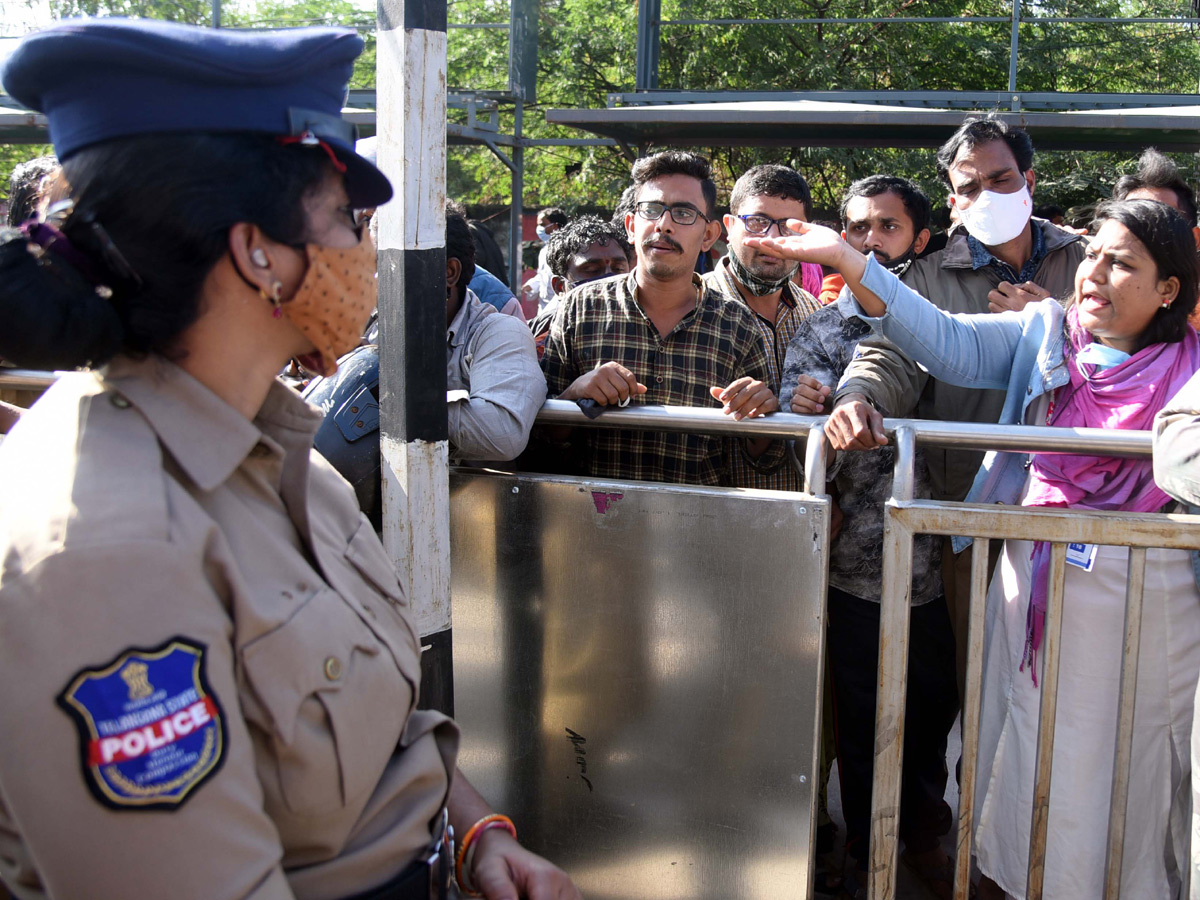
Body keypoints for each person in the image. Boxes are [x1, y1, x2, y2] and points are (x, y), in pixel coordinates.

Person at [0, 18, 579, 900]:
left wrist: (477, 836)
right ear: (257, 251)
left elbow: (378, 720)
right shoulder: (103, 545)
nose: (368, 252)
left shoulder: (286, 462)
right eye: (348, 218)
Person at [748, 198, 1200, 900]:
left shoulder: (1192, 374)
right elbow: (944, 339)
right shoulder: (1045, 334)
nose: (1096, 274)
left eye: (1123, 263)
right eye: (1094, 255)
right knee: (1029, 751)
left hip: (1152, 608)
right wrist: (846, 260)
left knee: (1130, 768)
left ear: (1168, 289)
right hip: (1036, 596)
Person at [830, 116, 1087, 709]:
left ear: (1028, 179)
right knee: (986, 683)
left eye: (1001, 179)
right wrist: (857, 398)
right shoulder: (926, 277)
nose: (987, 197)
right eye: (970, 188)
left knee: (1071, 685)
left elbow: (1130, 347)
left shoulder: (1085, 263)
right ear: (953, 199)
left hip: (1075, 507)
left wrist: (1053, 320)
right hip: (973, 515)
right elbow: (888, 356)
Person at [779, 174, 956, 898]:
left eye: (888, 227)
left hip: (942, 563)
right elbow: (796, 448)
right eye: (857, 228)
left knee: (932, 708)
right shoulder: (819, 330)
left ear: (918, 237)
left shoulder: (949, 321)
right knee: (856, 717)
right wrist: (804, 413)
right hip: (852, 566)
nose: (871, 240)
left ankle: (922, 833)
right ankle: (861, 846)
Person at [540, 150, 780, 485]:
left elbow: (763, 458)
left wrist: (762, 414)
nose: (664, 224)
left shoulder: (737, 325)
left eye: (683, 213)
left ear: (709, 236)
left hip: (695, 525)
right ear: (630, 225)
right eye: (652, 210)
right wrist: (572, 397)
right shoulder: (580, 308)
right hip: (590, 523)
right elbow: (536, 439)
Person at [702, 164, 825, 490]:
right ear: (729, 226)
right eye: (757, 222)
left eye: (788, 227)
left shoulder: (814, 314)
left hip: (800, 514)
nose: (772, 239)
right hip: (709, 515)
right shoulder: (692, 306)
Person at [528, 214, 632, 356]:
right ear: (560, 287)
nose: (610, 283)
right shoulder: (542, 351)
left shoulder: (647, 335)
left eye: (619, 269)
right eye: (592, 271)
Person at [521, 207, 569, 316]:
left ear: (555, 226)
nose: (539, 229)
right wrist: (530, 286)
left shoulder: (567, 250)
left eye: (542, 225)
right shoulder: (544, 250)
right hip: (543, 309)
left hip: (560, 309)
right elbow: (543, 276)